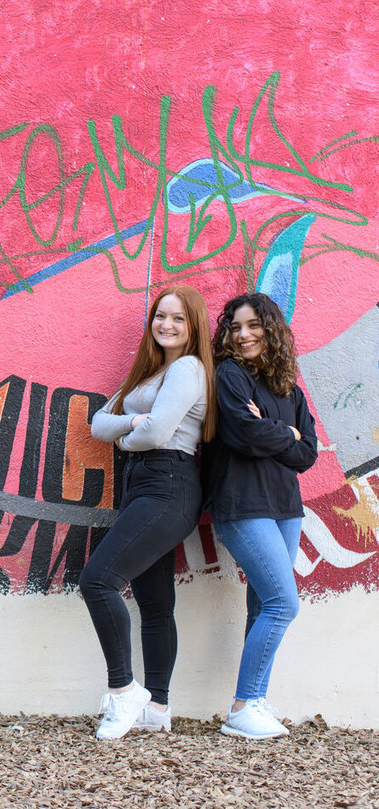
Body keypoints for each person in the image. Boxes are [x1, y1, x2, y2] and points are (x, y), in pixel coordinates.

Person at [85, 285, 216, 739]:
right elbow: (97, 422)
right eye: (161, 316)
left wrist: (126, 435)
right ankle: (157, 707)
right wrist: (129, 424)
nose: (167, 325)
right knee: (155, 604)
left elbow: (158, 433)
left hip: (168, 484)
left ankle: (124, 692)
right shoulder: (148, 374)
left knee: (97, 580)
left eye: (179, 319)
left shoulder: (188, 368)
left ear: (193, 325)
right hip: (143, 484)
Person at [205, 293, 318, 739]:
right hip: (241, 503)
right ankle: (242, 706)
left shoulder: (288, 385)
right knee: (283, 603)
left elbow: (307, 453)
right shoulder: (229, 375)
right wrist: (283, 433)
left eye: (253, 326)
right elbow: (243, 434)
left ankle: (255, 699)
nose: (244, 334)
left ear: (272, 331)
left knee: (262, 604)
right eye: (236, 327)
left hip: (286, 508)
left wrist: (281, 432)